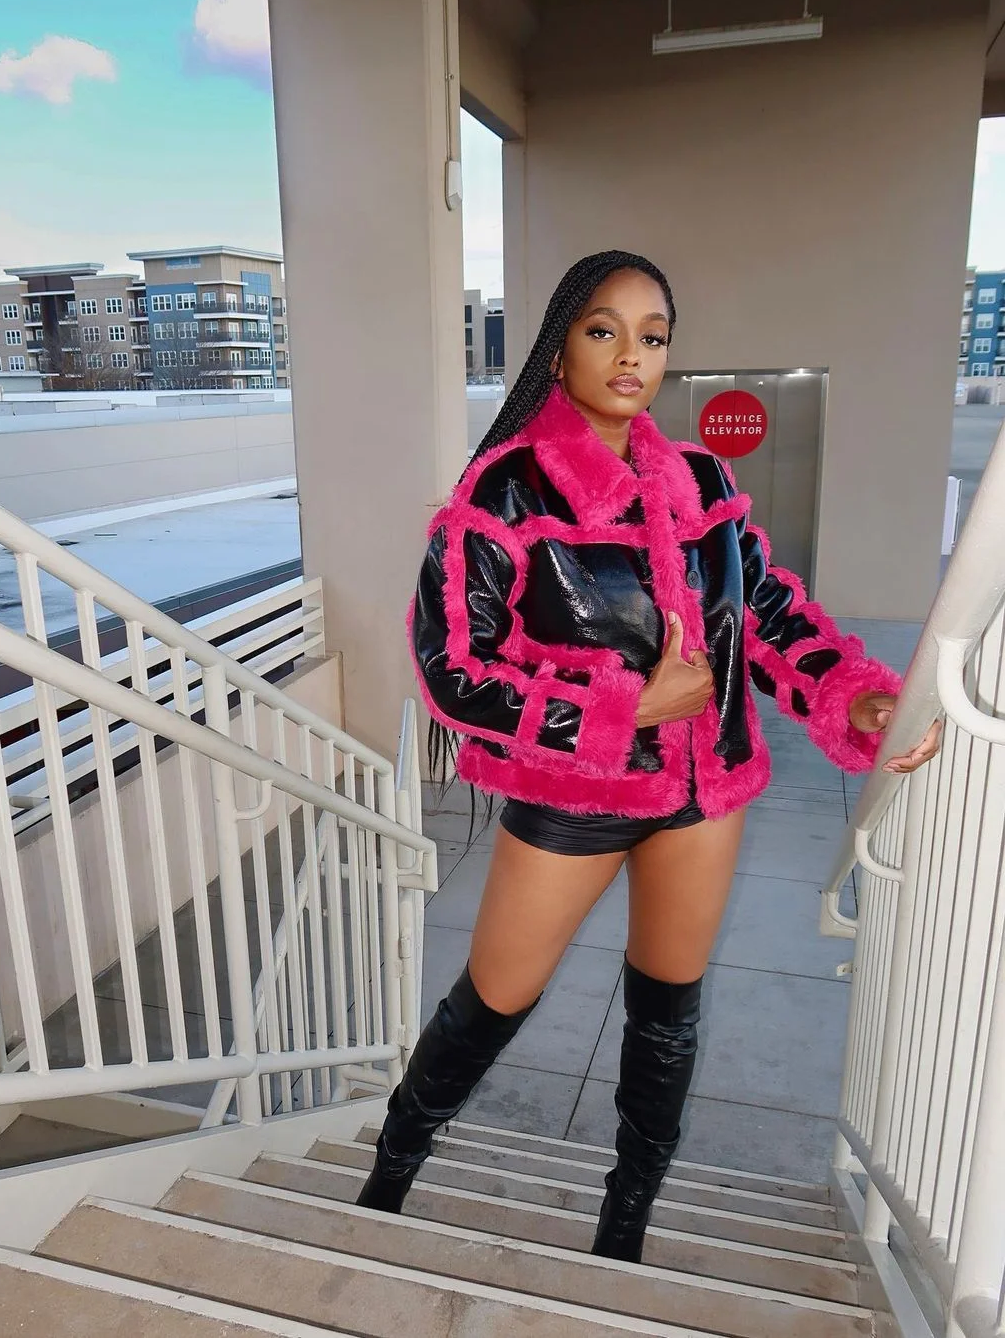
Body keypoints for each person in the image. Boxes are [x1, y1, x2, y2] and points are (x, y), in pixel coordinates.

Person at [357, 249, 941, 1262]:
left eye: (654, 335)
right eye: (605, 330)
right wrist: (625, 709)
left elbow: (766, 612)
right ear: (559, 349)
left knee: (667, 1014)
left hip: (704, 790)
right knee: (491, 1002)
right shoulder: (505, 491)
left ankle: (625, 1217)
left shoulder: (703, 481)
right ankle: (390, 1171)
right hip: (574, 797)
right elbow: (453, 668)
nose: (632, 354)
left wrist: (860, 697)